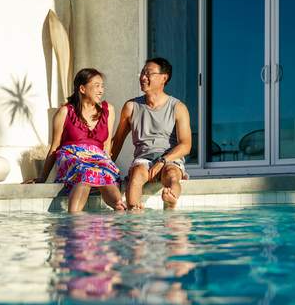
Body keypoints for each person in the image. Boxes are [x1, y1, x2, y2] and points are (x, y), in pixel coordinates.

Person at [32, 68, 126, 212]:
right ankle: (74, 217)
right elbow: (55, 147)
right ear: (82, 88)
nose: (101, 90)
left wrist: (108, 163)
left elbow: (106, 145)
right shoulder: (64, 112)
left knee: (105, 171)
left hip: (97, 157)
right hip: (72, 156)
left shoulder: (108, 110)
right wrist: (42, 178)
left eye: (102, 86)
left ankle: (119, 206)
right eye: (96, 86)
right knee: (86, 171)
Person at [111, 58, 192, 209]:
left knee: (172, 175)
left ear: (164, 78)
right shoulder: (131, 107)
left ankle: (171, 199)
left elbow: (186, 145)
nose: (143, 77)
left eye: (148, 74)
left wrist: (163, 160)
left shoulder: (178, 107)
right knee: (135, 177)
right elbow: (117, 141)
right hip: (143, 159)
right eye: (142, 73)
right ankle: (134, 212)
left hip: (169, 158)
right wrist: (105, 168)